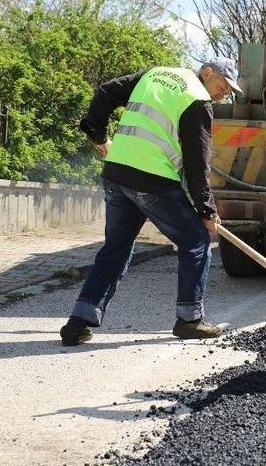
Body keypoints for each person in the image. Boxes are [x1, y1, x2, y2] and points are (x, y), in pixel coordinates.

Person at [59, 58, 243, 346]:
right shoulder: (197, 100)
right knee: (195, 240)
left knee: (115, 250)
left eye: (230, 90)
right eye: (223, 85)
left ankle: (78, 323)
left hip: (117, 172)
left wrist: (98, 136)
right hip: (152, 180)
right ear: (207, 73)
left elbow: (106, 92)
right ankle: (190, 319)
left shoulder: (155, 75)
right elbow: (197, 164)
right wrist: (206, 211)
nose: (225, 93)